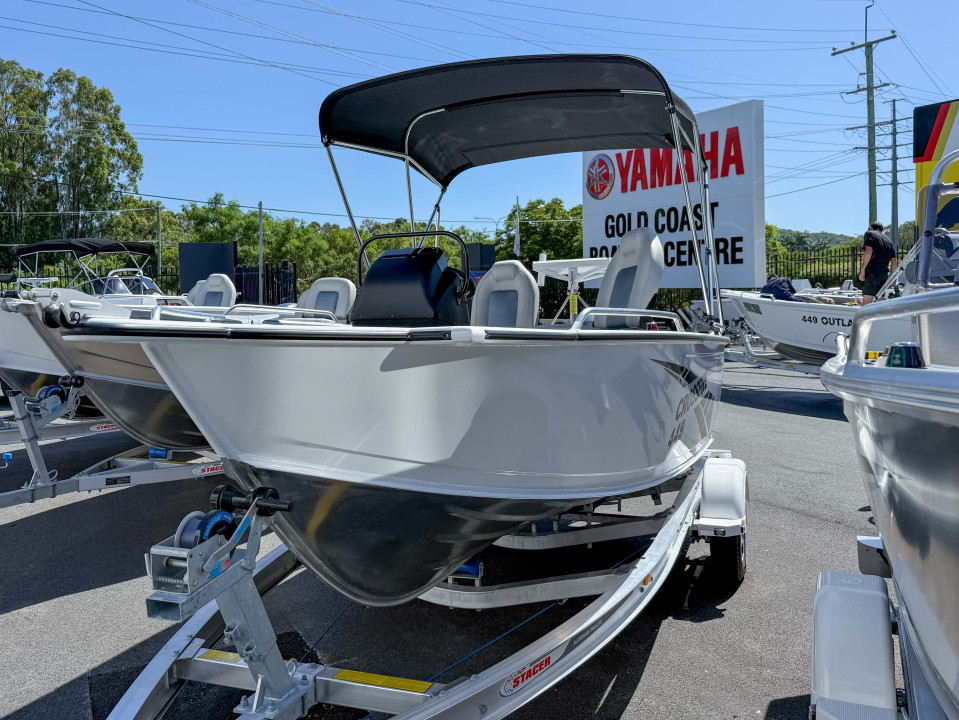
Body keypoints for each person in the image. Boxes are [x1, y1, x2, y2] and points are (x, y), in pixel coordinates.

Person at [859, 221, 895, 305]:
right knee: (879, 303)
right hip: (883, 274)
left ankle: (864, 318)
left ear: (871, 228)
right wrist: (891, 278)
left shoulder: (870, 234)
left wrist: (863, 270)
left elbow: (869, 250)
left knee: (866, 302)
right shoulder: (888, 241)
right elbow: (894, 260)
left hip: (872, 272)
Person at [760, 274, 834, 303]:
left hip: (781, 302)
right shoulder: (783, 279)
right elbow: (794, 293)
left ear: (768, 280)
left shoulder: (764, 288)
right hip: (794, 300)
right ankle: (830, 302)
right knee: (816, 299)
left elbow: (763, 298)